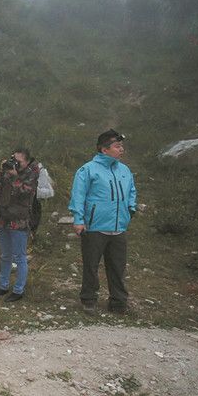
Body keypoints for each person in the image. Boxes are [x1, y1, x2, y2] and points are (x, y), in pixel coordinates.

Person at [69, 129, 137, 315]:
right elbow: (78, 196)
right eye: (117, 146)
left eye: (121, 146)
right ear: (104, 149)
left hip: (118, 228)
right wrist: (78, 220)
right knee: (91, 267)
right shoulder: (87, 170)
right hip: (94, 228)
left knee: (117, 268)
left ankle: (118, 302)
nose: (121, 149)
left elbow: (132, 191)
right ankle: (89, 300)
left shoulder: (124, 170)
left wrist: (130, 209)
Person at [0, 147, 39, 302]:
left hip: (19, 220)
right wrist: (1, 171)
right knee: (5, 255)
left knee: (19, 257)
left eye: (19, 161)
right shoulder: (7, 170)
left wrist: (14, 176)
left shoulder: (32, 173)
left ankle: (18, 290)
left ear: (27, 161)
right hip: (3, 217)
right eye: (14, 160)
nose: (16, 164)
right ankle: (3, 286)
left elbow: (25, 191)